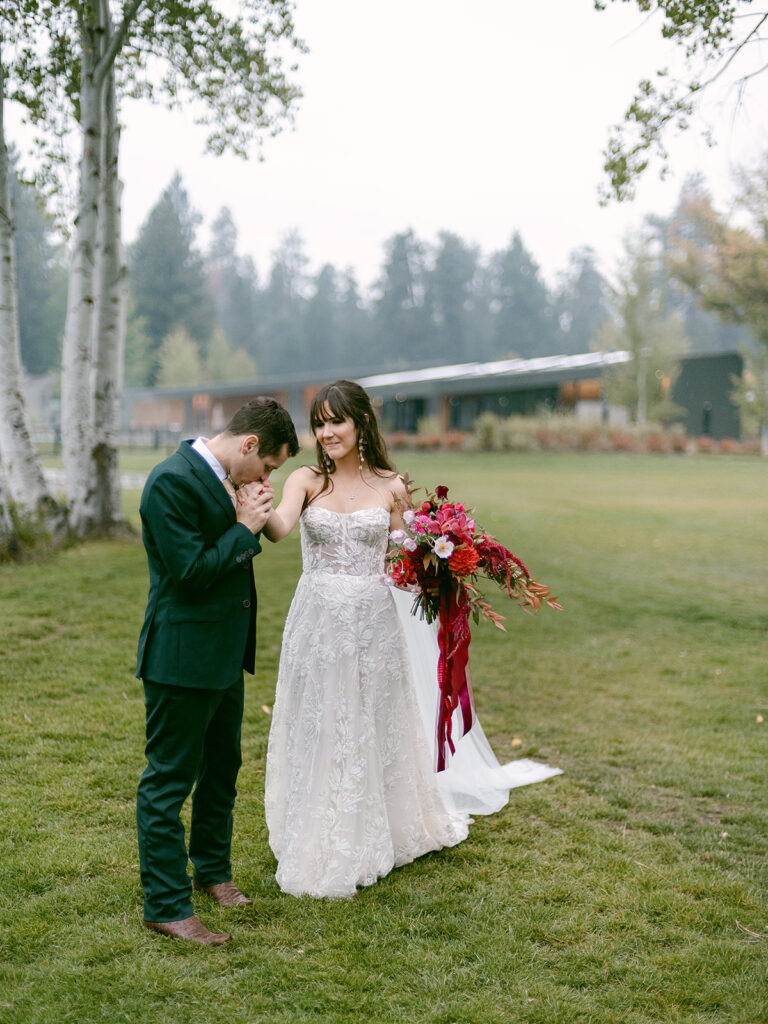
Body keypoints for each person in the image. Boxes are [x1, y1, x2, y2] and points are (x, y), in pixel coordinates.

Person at [259, 380, 560, 899]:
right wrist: (255, 505)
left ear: (361, 424)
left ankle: (377, 824)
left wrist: (442, 554)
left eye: (336, 421)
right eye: (319, 423)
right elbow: (281, 528)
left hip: (374, 620)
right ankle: (317, 824)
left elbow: (404, 561)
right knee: (324, 716)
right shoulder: (305, 480)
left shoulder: (392, 486)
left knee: (370, 717)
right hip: (319, 621)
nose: (326, 432)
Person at [136, 397, 299, 944]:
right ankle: (165, 903)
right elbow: (189, 573)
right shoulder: (169, 482)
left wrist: (247, 512)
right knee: (168, 781)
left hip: (226, 657)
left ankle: (212, 872)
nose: (267, 476)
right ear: (249, 444)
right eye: (268, 465)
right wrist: (246, 526)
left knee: (223, 768)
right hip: (181, 660)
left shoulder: (230, 479)